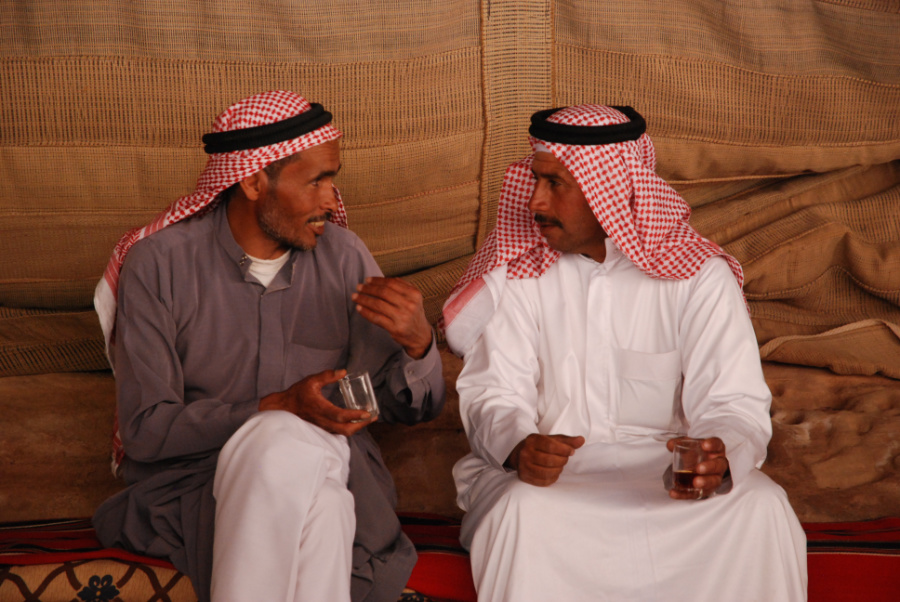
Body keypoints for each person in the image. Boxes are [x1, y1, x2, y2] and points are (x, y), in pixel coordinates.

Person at [441, 105, 807, 601]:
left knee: (762, 509)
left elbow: (734, 402)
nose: (535, 201)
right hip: (552, 484)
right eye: (535, 180)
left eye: (556, 184)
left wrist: (717, 458)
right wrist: (517, 447)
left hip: (668, 479)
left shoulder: (697, 277)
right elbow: (492, 393)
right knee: (520, 514)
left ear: (609, 191)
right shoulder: (517, 274)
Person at [91, 90, 446, 602]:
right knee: (317, 500)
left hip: (338, 468)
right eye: (316, 181)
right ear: (254, 180)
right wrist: (275, 408)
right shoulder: (159, 265)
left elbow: (397, 406)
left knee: (308, 471)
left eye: (333, 178)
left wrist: (418, 345)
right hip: (202, 485)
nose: (332, 199)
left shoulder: (345, 259)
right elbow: (145, 432)